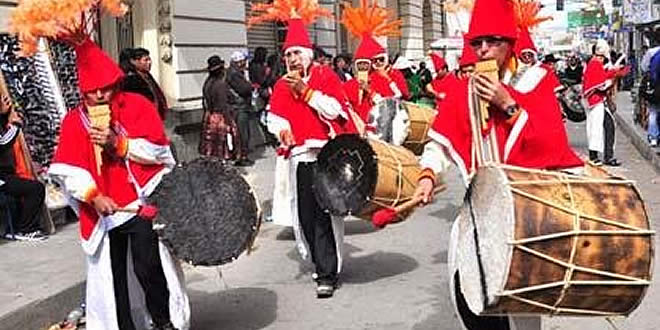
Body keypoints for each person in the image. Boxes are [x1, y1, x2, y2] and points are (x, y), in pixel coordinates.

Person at [413, 0, 583, 328]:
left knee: (520, 310)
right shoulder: (463, 91)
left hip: (526, 212)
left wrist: (507, 103)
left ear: (511, 43)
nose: (484, 50)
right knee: (471, 301)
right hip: (479, 209)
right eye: (477, 43)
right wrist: (428, 175)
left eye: (493, 41)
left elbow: (552, 147)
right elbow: (439, 142)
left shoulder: (536, 81)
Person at [48, 38, 189, 330]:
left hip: (139, 205)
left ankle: (163, 321)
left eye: (106, 88)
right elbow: (67, 170)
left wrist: (120, 144)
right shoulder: (74, 122)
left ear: (117, 83)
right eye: (92, 91)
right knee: (114, 281)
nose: (100, 96)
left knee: (148, 268)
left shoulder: (137, 106)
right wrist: (92, 194)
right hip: (103, 212)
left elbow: (160, 153)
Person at [248, 0, 357, 298]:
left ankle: (327, 273)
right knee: (305, 216)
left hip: (325, 156)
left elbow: (336, 110)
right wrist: (280, 129)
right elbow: (274, 115)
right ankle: (319, 261)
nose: (293, 59)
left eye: (297, 53)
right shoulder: (282, 85)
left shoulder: (325, 76)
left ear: (308, 55)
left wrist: (307, 93)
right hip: (299, 159)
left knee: (324, 216)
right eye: (288, 55)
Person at [0, 92, 47, 241]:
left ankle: (16, 227)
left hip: (6, 174)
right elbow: (2, 143)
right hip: (1, 177)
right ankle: (26, 228)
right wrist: (14, 125)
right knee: (35, 189)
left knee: (25, 189)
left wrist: (5, 115)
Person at [583, 39, 628, 166]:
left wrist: (613, 72)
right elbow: (601, 85)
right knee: (597, 128)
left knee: (607, 126)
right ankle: (597, 157)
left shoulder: (594, 64)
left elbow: (601, 78)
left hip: (598, 101)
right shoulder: (595, 64)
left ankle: (605, 156)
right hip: (596, 101)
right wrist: (614, 73)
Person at [199, 55, 240, 160]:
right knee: (223, 145)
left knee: (211, 146)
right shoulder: (220, 85)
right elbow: (223, 104)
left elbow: (205, 102)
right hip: (221, 117)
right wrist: (229, 121)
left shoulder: (207, 83)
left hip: (209, 117)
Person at [118, 47, 169, 120]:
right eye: (146, 60)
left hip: (155, 116)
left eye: (149, 59)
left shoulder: (147, 75)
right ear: (134, 62)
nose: (149, 62)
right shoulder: (131, 79)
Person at [227, 51, 255, 166]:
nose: (246, 63)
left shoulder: (235, 72)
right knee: (242, 133)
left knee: (240, 133)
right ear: (239, 62)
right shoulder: (235, 74)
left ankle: (240, 154)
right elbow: (244, 89)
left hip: (238, 107)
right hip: (239, 107)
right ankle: (242, 156)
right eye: (244, 61)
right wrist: (250, 86)